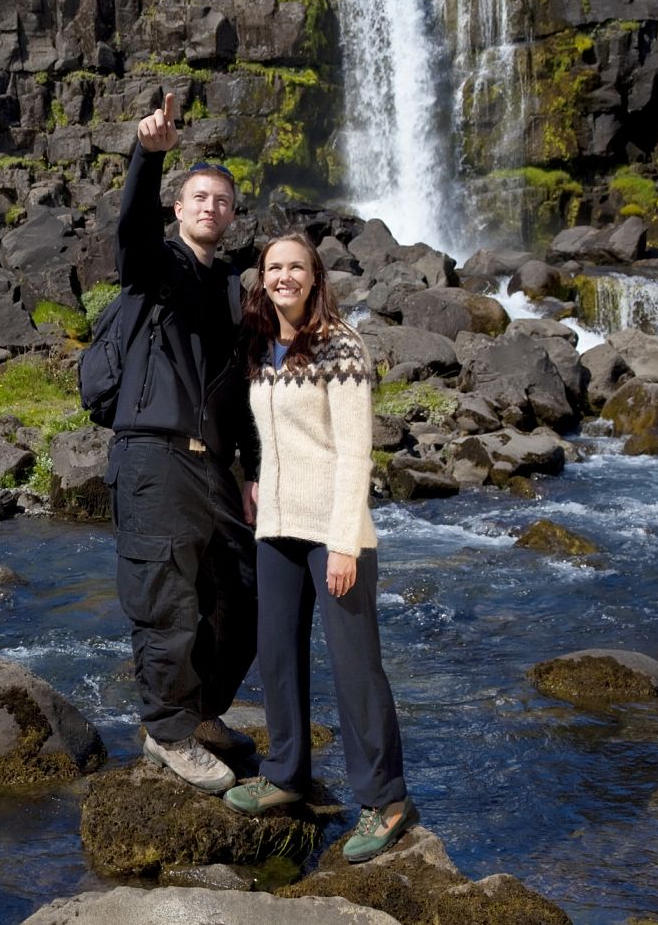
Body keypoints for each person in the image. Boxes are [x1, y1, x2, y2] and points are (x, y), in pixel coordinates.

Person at [221, 232, 419, 863]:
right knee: (277, 654)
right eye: (274, 267)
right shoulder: (258, 343)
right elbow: (268, 433)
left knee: (356, 667)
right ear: (262, 278)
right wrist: (254, 481)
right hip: (276, 526)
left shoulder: (342, 345)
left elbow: (355, 451)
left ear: (314, 277)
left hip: (335, 535)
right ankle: (286, 775)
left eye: (295, 267)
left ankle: (386, 800)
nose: (284, 277)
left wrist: (343, 544)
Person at [108, 93, 260, 794]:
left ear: (232, 215)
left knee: (241, 597)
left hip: (214, 464)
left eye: (222, 200)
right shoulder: (156, 267)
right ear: (179, 207)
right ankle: (166, 731)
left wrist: (253, 468)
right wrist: (149, 153)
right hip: (152, 451)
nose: (210, 207)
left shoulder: (233, 287)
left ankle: (201, 712)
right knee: (165, 596)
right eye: (198, 196)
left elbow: (245, 386)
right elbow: (131, 229)